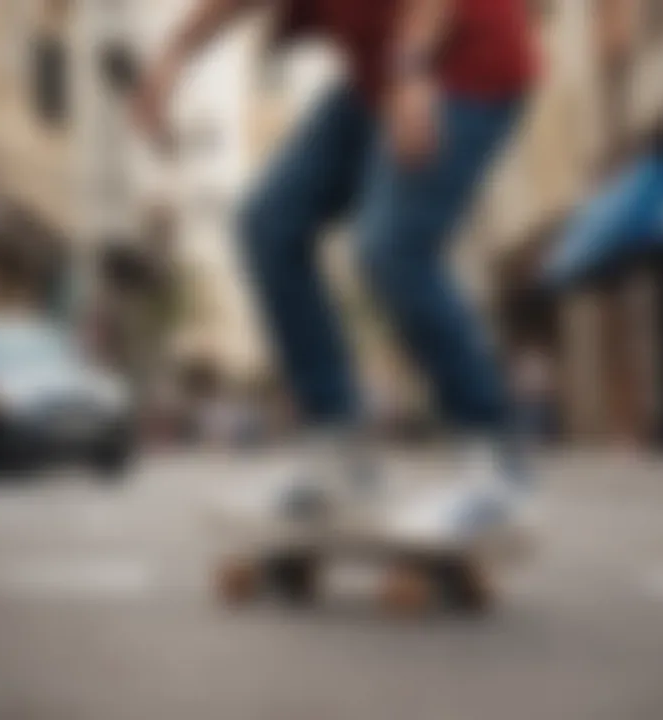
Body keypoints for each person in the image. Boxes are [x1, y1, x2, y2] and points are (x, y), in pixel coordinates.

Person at [133, 0, 539, 548]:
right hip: (380, 81)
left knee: (392, 247)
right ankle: (338, 460)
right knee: (269, 223)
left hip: (471, 66)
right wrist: (173, 57)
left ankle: (496, 468)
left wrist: (413, 72)